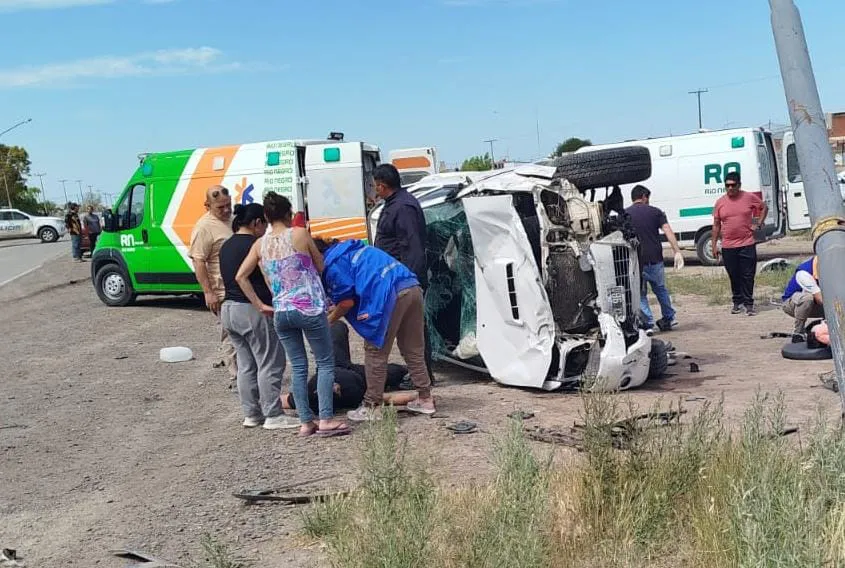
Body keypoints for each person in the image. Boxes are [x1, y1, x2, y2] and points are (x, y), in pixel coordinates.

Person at [235, 192, 349, 438]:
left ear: (266, 216)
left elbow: (240, 276)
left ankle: (306, 423)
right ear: (288, 214)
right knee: (325, 363)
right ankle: (326, 419)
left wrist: (258, 304)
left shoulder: (259, 245)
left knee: (298, 367)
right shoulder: (299, 234)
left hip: (282, 311)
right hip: (308, 307)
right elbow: (320, 266)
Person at [316, 237, 435, 422]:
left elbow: (347, 302)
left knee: (375, 351)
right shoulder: (350, 250)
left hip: (389, 294)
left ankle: (372, 405)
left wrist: (328, 320)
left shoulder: (332, 263)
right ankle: (425, 398)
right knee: (413, 349)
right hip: (411, 286)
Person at [220, 203, 299, 430]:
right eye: (264, 224)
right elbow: (265, 276)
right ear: (257, 223)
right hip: (251, 310)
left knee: (245, 365)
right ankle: (273, 414)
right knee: (270, 362)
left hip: (229, 310)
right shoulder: (256, 245)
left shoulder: (226, 245)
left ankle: (251, 414)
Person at [371, 163, 435, 383]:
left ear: (381, 186)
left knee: (413, 332)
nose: (373, 190)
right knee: (407, 330)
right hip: (395, 278)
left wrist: (411, 281)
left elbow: (413, 247)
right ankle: (419, 375)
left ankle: (424, 376)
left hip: (404, 280)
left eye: (374, 186)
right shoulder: (393, 204)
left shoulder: (403, 207)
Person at [281, 320, 417, 415]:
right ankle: (408, 372)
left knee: (336, 329)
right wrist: (418, 395)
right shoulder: (354, 394)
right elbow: (385, 398)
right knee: (386, 372)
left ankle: (406, 373)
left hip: (339, 370)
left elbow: (283, 400)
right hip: (348, 374)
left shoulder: (309, 398)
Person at [189, 185, 237, 385]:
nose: (226, 210)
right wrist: (208, 292)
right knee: (231, 336)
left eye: (228, 205)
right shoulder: (204, 227)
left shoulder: (233, 221)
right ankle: (236, 378)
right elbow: (199, 261)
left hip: (240, 289)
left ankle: (249, 376)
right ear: (207, 206)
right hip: (221, 291)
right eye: (221, 208)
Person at [625, 185, 684, 333]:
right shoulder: (656, 212)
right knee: (661, 290)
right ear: (644, 197)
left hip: (636, 261)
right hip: (655, 259)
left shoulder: (625, 215)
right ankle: (669, 318)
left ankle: (648, 323)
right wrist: (677, 251)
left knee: (640, 293)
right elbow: (667, 231)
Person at [711, 171, 768, 316]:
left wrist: (759, 224)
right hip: (728, 246)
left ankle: (749, 304)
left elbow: (763, 207)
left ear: (739, 185)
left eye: (733, 185)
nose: (730, 188)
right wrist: (713, 245)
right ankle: (737, 302)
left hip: (747, 243)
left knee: (748, 275)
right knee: (734, 275)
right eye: (727, 185)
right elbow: (716, 225)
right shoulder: (720, 202)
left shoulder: (748, 197)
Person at [781, 256, 824, 337]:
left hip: (816, 303)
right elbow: (820, 299)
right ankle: (798, 333)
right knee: (807, 298)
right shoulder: (804, 272)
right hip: (792, 304)